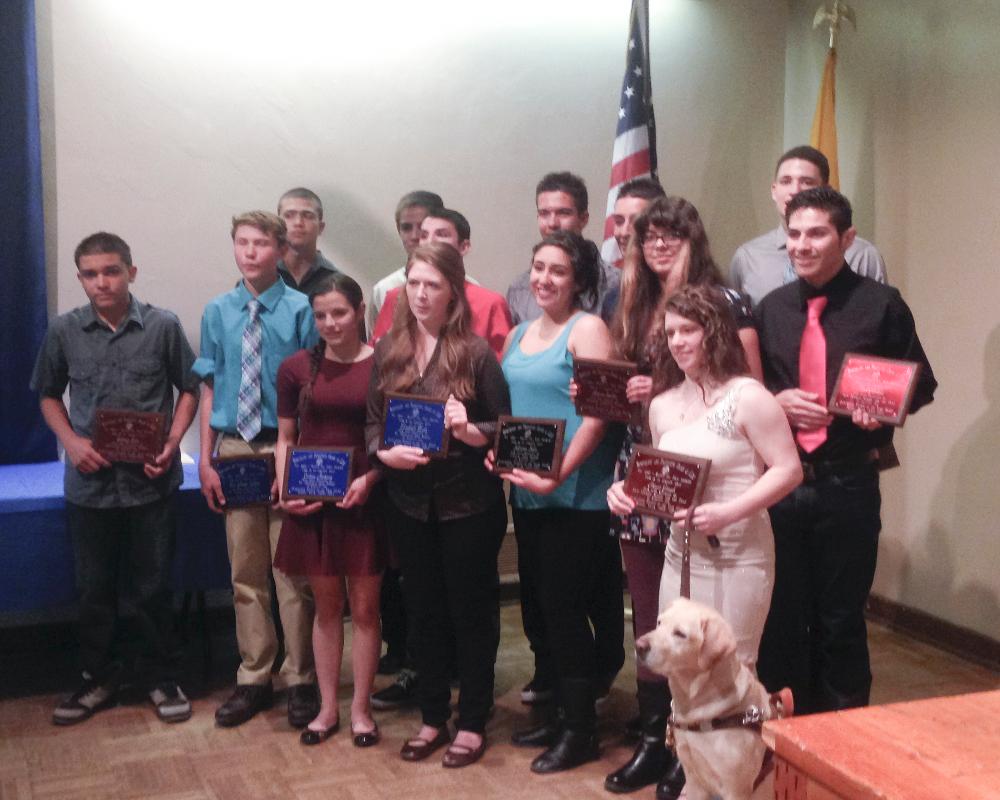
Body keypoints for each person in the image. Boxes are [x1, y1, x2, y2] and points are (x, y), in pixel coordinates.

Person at [607, 284, 802, 794]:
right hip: (681, 554)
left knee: (734, 668)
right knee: (677, 662)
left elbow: (788, 469)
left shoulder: (749, 396)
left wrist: (730, 510)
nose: (677, 342)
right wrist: (623, 493)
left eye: (688, 330)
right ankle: (691, 767)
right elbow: (657, 476)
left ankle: (742, 775)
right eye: (670, 332)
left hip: (739, 554)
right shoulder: (663, 403)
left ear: (713, 331)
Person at [601, 195, 763, 798]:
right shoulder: (634, 304)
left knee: (716, 632)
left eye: (672, 234)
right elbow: (628, 394)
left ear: (694, 238)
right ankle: (660, 742)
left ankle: (709, 754)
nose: (660, 245)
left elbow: (745, 392)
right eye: (649, 236)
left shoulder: (726, 302)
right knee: (655, 618)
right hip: (646, 470)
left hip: (716, 484)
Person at [755, 187, 937, 714]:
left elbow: (920, 385)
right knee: (783, 616)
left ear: (847, 238)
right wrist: (775, 400)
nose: (802, 245)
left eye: (817, 233)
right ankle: (792, 737)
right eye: (794, 234)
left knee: (840, 618)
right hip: (783, 487)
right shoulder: (770, 311)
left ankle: (845, 738)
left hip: (848, 484)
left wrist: (882, 408)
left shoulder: (882, 305)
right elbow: (745, 393)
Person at [31, 232, 199, 725]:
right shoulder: (64, 331)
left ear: (131, 271)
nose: (102, 282)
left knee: (152, 587)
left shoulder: (163, 326)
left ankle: (160, 677)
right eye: (90, 273)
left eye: (111, 271)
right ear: (81, 277)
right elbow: (46, 394)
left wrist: (172, 442)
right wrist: (72, 443)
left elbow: (188, 388)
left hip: (151, 482)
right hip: (91, 485)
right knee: (94, 588)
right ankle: (97, 678)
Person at [366, 241, 510, 768]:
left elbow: (503, 428)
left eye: (433, 284)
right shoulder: (388, 350)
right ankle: (432, 716)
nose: (422, 294)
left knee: (471, 613)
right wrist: (386, 455)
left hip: (468, 505)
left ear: (453, 291)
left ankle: (471, 721)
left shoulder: (475, 353)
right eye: (414, 283)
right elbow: (371, 425)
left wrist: (468, 431)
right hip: (408, 504)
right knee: (422, 613)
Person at [498, 231, 623, 774]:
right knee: (543, 612)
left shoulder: (588, 328)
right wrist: (497, 454)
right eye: (538, 267)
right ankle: (558, 715)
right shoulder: (519, 333)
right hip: (528, 496)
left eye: (558, 271)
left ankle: (581, 733)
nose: (544, 279)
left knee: (567, 614)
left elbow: (599, 416)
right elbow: (512, 410)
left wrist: (558, 474)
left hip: (577, 496)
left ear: (579, 281)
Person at [194, 211, 319, 729]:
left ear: (279, 248)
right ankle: (254, 675)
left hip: (285, 446)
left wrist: (300, 461)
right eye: (242, 243)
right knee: (245, 571)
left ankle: (301, 677)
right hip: (236, 448)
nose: (250, 252)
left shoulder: (300, 309)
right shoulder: (217, 311)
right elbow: (208, 386)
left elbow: (313, 388)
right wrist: (205, 457)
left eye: (261, 243)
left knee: (292, 570)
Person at [273, 274, 386, 747]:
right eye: (321, 315)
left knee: (364, 608)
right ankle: (326, 708)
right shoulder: (296, 367)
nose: (330, 323)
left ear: (360, 310)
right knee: (325, 608)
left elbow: (396, 438)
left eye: (339, 312)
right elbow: (285, 437)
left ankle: (361, 709)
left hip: (364, 496)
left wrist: (372, 478)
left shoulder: (386, 363)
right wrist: (283, 484)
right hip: (312, 499)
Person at [729, 145, 887, 308]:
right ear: (774, 190)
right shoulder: (747, 257)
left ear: (826, 190)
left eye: (807, 182)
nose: (795, 190)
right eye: (786, 181)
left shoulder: (862, 255)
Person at [372, 208, 512, 358]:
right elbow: (379, 357)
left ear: (464, 246)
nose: (430, 242)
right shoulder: (398, 296)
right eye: (424, 235)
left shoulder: (489, 304)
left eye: (441, 235)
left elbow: (502, 366)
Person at [506, 172, 620, 325]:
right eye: (544, 213)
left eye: (563, 213)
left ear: (583, 219)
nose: (552, 223)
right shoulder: (520, 289)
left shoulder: (615, 284)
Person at [369, 190, 446, 331]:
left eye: (422, 227)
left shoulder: (468, 288)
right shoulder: (384, 289)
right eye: (406, 228)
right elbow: (376, 348)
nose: (415, 236)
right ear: (399, 231)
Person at [276, 187, 343, 296]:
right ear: (277, 224)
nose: (298, 223)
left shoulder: (338, 282)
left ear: (321, 228)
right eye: (289, 215)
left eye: (308, 216)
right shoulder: (262, 277)